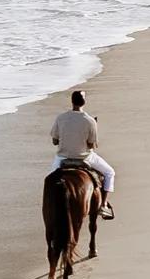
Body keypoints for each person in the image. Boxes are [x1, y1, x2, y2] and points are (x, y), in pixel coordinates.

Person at [49, 88, 116, 217]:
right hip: (85, 157)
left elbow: (55, 141)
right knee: (109, 172)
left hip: (62, 157)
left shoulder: (61, 118)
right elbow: (91, 144)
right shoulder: (90, 121)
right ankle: (103, 205)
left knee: (51, 181)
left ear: (72, 101)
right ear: (84, 102)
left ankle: (51, 204)